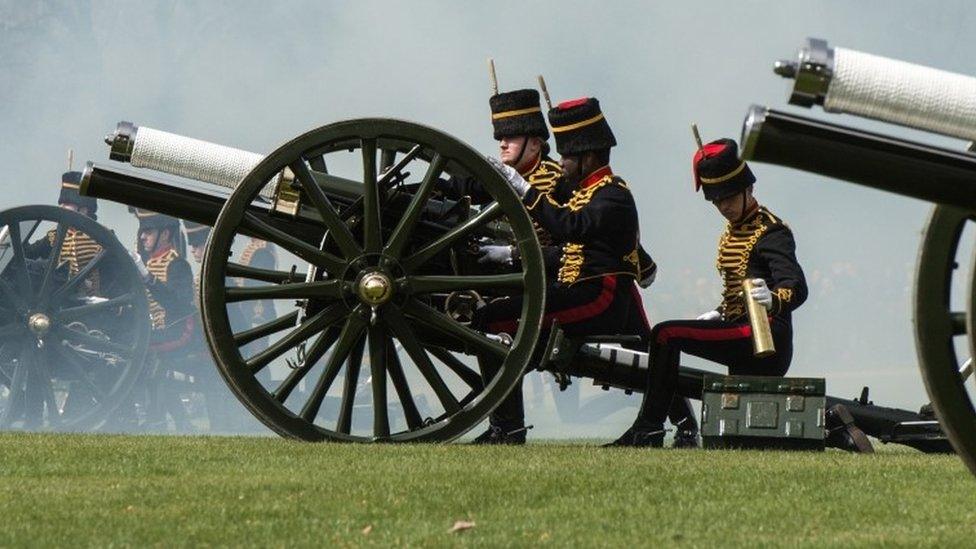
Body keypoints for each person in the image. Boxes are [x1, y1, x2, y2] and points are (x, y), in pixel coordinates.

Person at [475, 96, 651, 444]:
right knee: (495, 322)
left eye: (569, 155)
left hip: (597, 296)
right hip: (580, 291)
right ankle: (506, 425)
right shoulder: (585, 193)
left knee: (493, 322)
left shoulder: (613, 194)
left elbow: (570, 228)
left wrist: (525, 191)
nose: (562, 162)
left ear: (587, 157)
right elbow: (567, 249)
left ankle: (508, 428)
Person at [610, 138, 808, 447]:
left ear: (748, 189)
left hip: (764, 337)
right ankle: (670, 425)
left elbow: (796, 286)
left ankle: (648, 428)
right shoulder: (734, 231)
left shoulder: (771, 231)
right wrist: (719, 311)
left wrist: (774, 298)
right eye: (717, 200)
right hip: (739, 328)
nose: (723, 206)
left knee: (664, 335)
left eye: (728, 197)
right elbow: (738, 288)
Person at [130, 209, 196, 431]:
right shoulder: (146, 263)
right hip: (155, 331)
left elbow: (179, 305)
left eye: (148, 232)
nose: (142, 237)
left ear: (165, 234)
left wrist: (149, 279)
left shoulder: (178, 265)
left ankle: (156, 420)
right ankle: (180, 422)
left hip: (177, 331)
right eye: (142, 232)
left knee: (151, 358)